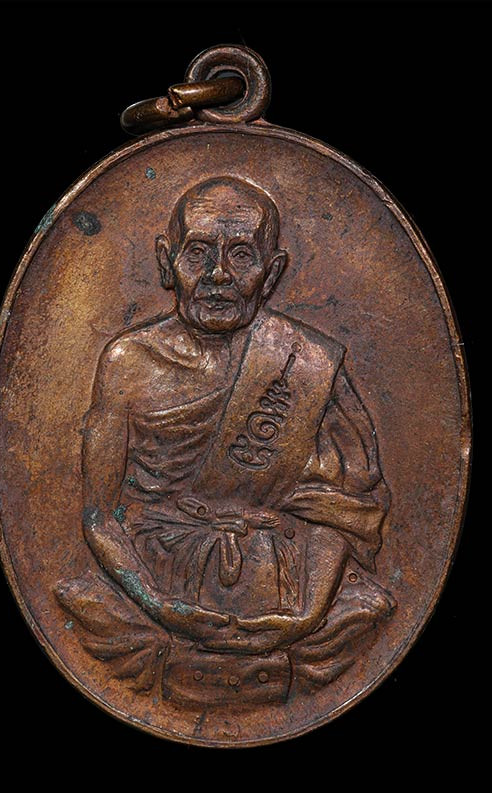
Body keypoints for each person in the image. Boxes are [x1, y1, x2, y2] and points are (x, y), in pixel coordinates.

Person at [56, 176, 395, 704]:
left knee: (363, 614)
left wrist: (307, 615)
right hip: (152, 577)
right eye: (198, 253)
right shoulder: (128, 363)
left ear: (272, 272)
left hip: (286, 583)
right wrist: (157, 604)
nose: (218, 274)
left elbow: (342, 512)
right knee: (90, 613)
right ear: (167, 262)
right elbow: (99, 516)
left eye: (241, 255)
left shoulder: (306, 363)